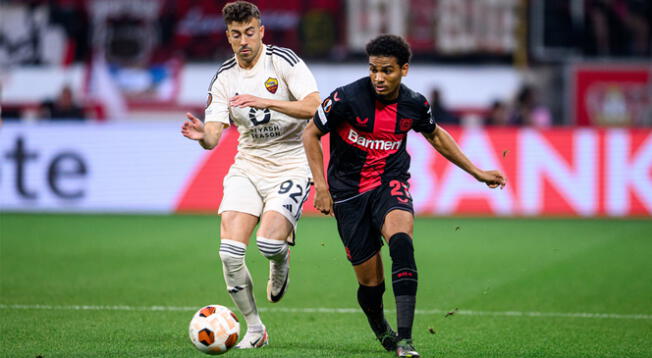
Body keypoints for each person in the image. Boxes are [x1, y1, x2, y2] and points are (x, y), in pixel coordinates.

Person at [302, 35, 506, 358]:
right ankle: (381, 327)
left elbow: (435, 135)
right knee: (371, 285)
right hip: (347, 194)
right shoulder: (347, 98)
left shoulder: (414, 104)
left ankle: (406, 341)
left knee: (401, 243)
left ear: (404, 70)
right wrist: (321, 186)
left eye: (387, 71)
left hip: (389, 183)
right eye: (373, 70)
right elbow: (310, 133)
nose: (379, 78)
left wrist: (477, 172)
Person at [180, 1, 320, 349]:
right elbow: (214, 134)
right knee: (229, 252)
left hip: (291, 163)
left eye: (249, 32)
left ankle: (280, 257)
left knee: (269, 243)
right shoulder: (225, 77)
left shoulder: (283, 62)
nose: (243, 40)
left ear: (261, 31)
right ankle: (255, 329)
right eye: (235, 34)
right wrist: (203, 137)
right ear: (228, 37)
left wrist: (266, 101)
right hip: (248, 165)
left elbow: (316, 105)